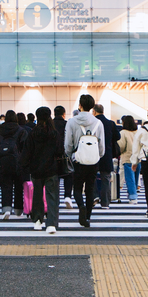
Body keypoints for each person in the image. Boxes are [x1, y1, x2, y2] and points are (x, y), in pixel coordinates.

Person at [65, 94, 106, 227]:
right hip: (93, 161)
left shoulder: (72, 122)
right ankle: (87, 217)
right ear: (92, 107)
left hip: (78, 160)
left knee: (77, 188)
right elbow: (101, 145)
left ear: (80, 105)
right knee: (90, 188)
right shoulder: (98, 123)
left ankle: (81, 206)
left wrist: (69, 155)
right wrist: (98, 155)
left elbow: (68, 144)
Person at [20, 106, 62, 233]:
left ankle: (38, 221)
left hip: (36, 170)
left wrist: (24, 167)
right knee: (52, 196)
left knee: (37, 195)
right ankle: (51, 224)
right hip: (52, 169)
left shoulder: (33, 134)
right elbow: (60, 151)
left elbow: (27, 152)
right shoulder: (54, 134)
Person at [0, 110, 27, 219]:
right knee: (18, 186)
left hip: (3, 161)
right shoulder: (21, 130)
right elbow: (25, 147)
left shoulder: (0, 130)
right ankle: (18, 210)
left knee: (6, 186)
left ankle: (6, 209)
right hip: (18, 162)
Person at [93, 104, 120, 209]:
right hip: (107, 154)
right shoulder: (110, 123)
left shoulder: (93, 123)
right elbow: (117, 136)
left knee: (92, 176)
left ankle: (94, 196)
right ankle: (105, 203)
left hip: (93, 153)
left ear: (94, 112)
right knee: (106, 179)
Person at [53, 106, 74, 208]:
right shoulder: (67, 124)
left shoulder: (50, 124)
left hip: (52, 155)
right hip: (65, 153)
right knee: (68, 174)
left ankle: (55, 199)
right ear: (64, 114)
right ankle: (67, 196)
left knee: (54, 177)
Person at [118, 115, 140, 204]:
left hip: (128, 158)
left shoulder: (123, 133)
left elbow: (121, 146)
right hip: (138, 158)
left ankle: (133, 196)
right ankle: (132, 193)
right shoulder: (138, 132)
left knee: (130, 178)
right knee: (135, 177)